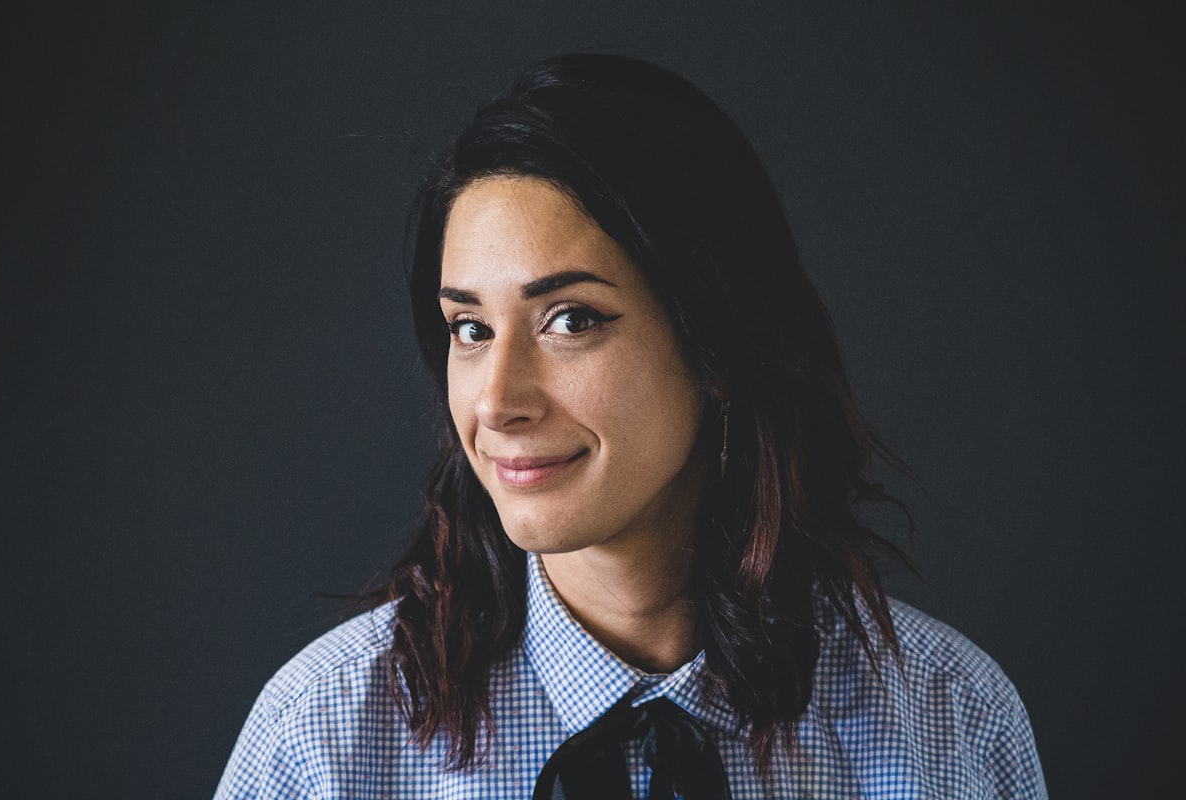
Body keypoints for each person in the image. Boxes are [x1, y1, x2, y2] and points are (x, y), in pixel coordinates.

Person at [215, 53, 1047, 799]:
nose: (498, 400)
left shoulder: (949, 724)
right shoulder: (327, 741)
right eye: (470, 329)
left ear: (717, 344)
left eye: (571, 320)